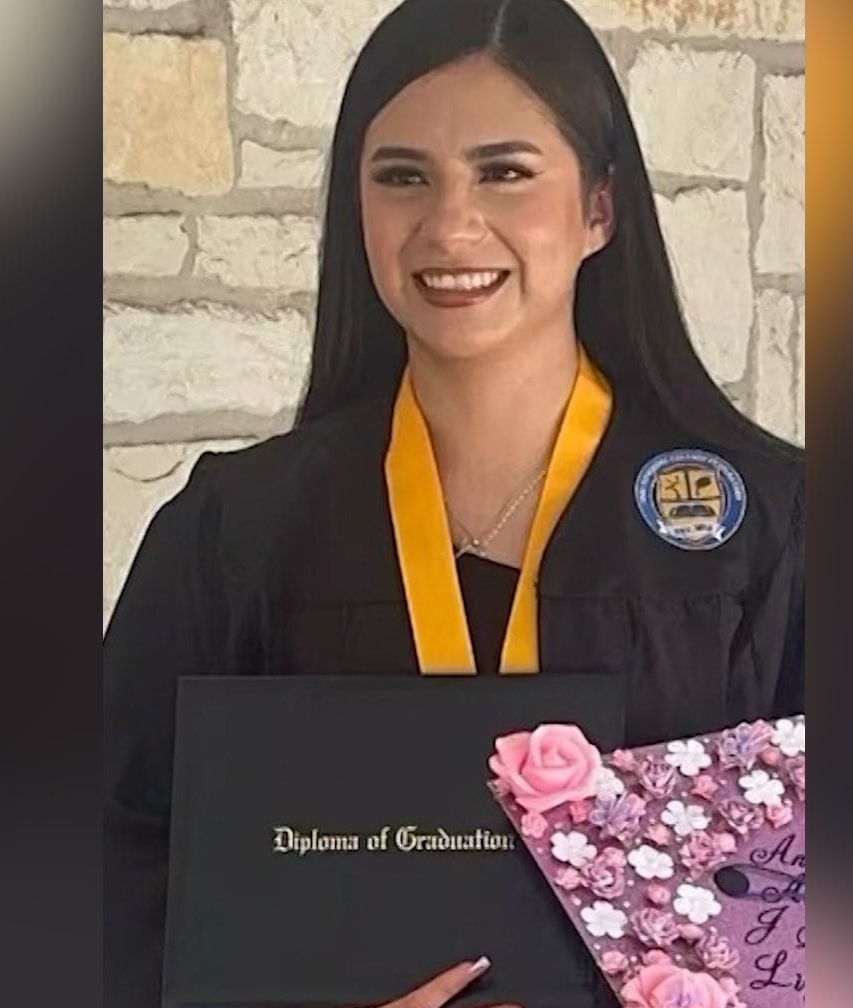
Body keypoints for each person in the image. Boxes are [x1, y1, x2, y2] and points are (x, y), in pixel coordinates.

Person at [104, 0, 802, 1003]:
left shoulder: (765, 535)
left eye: (504, 172)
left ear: (600, 208)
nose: (450, 225)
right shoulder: (239, 534)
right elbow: (115, 874)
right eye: (402, 177)